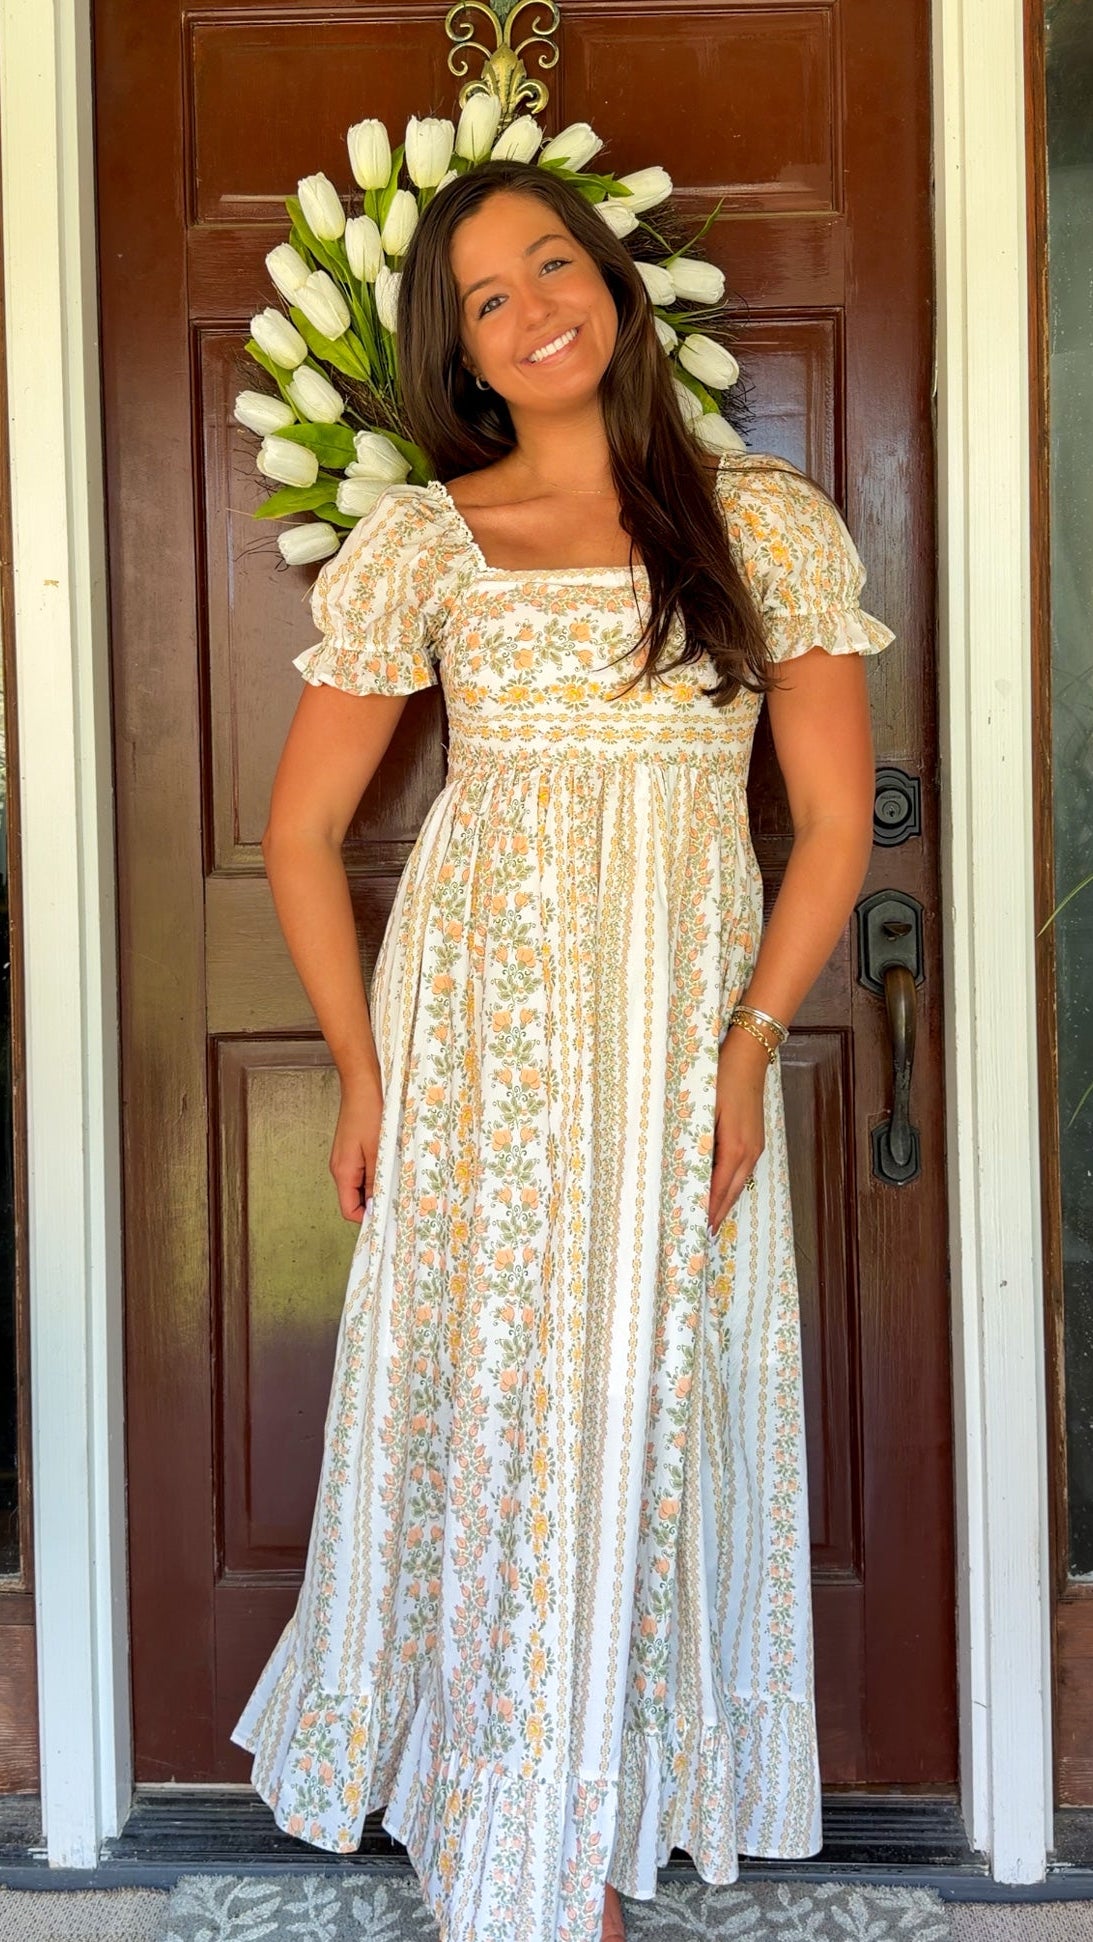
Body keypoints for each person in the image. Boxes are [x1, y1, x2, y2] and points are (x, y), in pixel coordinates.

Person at [230, 157, 895, 1942]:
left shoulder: (766, 523)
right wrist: (369, 1073)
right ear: (459, 349)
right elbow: (302, 836)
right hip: (479, 1047)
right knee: (492, 1409)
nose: (535, 310)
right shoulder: (423, 542)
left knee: (643, 1409)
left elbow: (828, 821)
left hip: (681, 1042)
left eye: (553, 266)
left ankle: (597, 1828)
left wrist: (750, 1043)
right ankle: (498, 1828)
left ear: (610, 278)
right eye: (489, 299)